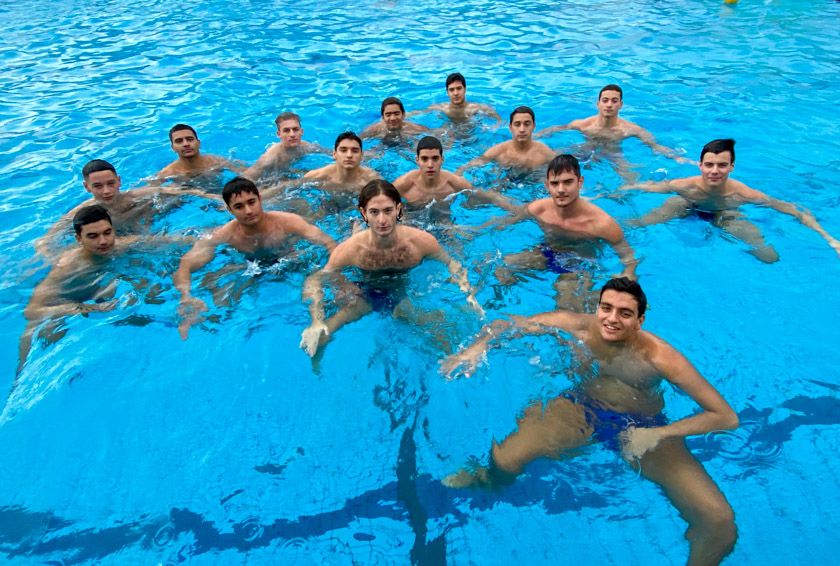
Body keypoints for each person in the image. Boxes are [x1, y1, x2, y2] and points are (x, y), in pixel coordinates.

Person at [441, 277, 739, 566]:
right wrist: (476, 349)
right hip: (582, 409)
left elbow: (725, 417)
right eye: (606, 308)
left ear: (640, 321)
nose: (612, 319)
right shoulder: (578, 327)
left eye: (625, 313)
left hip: (642, 425)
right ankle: (487, 481)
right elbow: (507, 325)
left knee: (719, 523)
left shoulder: (660, 358)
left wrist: (657, 434)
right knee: (505, 460)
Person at [299, 180, 483, 357]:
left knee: (447, 341)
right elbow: (315, 279)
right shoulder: (351, 250)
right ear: (363, 213)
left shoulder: (420, 242)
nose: (382, 220)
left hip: (403, 295)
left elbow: (452, 264)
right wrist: (316, 320)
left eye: (388, 211)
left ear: (398, 209)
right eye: (374, 212)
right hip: (362, 294)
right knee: (319, 338)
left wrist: (468, 291)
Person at [620, 138, 840, 262]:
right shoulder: (685, 185)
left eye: (722, 165)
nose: (714, 171)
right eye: (709, 165)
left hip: (726, 214)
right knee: (639, 223)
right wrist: (616, 191)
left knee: (769, 256)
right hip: (688, 205)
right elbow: (648, 187)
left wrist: (830, 239)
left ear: (732, 167)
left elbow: (794, 210)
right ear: (700, 165)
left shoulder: (744, 194)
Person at [173, 177, 336, 339]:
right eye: (239, 206)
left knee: (314, 282)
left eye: (251, 202)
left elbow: (329, 243)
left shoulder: (287, 221)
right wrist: (186, 296)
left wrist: (333, 274)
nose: (248, 211)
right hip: (248, 266)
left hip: (290, 259)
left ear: (260, 199)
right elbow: (185, 264)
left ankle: (318, 322)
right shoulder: (225, 234)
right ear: (229, 210)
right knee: (220, 302)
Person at [490, 154, 637, 306]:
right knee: (502, 268)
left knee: (566, 304)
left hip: (580, 265)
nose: (560, 189)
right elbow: (502, 223)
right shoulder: (538, 209)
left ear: (580, 182)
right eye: (555, 183)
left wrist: (627, 278)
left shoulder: (602, 224)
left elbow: (629, 259)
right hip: (547, 253)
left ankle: (591, 300)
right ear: (547, 185)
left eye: (568, 182)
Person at [21, 206, 146, 372]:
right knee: (47, 332)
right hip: (63, 304)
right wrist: (86, 308)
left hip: (95, 292)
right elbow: (32, 311)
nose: (103, 241)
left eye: (107, 232)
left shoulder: (120, 246)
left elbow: (166, 241)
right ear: (79, 239)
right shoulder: (68, 268)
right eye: (93, 236)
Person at [36, 159, 219, 257]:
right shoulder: (81, 213)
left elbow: (184, 191)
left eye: (111, 183)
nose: (106, 191)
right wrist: (57, 258)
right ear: (87, 187)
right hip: (117, 245)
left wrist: (217, 199)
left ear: (119, 181)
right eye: (98, 186)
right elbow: (44, 242)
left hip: (144, 233)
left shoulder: (139, 196)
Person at [535, 84, 692, 165]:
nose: (609, 105)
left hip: (613, 155)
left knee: (630, 178)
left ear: (621, 105)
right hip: (584, 149)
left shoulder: (630, 129)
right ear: (598, 103)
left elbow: (655, 146)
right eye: (605, 100)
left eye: (614, 101)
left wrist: (677, 157)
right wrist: (535, 136)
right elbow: (556, 129)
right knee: (551, 159)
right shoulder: (583, 124)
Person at [393, 136, 518, 213]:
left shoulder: (454, 182)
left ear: (442, 159)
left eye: (435, 158)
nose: (430, 164)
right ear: (417, 160)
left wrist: (514, 209)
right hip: (411, 219)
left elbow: (483, 196)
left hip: (443, 219)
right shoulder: (403, 184)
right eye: (424, 159)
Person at [456, 106, 555, 174]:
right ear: (510, 127)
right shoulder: (498, 151)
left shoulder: (545, 153)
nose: (522, 129)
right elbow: (467, 166)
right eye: (517, 124)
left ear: (534, 126)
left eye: (527, 124)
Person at [244, 112, 327, 181]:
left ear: (301, 132)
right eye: (286, 130)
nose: (292, 134)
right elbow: (247, 177)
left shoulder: (306, 146)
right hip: (270, 180)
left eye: (295, 129)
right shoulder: (270, 157)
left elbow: (331, 153)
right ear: (279, 134)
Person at [154, 124, 241, 180]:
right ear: (173, 148)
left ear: (198, 143)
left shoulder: (216, 162)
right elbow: (150, 190)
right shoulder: (168, 173)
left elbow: (244, 172)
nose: (186, 144)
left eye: (190, 139)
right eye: (179, 141)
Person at [408, 72, 502, 125]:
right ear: (447, 92)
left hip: (471, 134)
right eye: (452, 90)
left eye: (459, 88)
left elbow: (499, 121)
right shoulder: (441, 108)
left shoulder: (477, 108)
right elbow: (420, 112)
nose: (456, 93)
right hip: (450, 134)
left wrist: (493, 127)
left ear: (465, 89)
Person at [360, 97, 431, 140]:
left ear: (403, 115)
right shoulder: (373, 130)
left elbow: (434, 135)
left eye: (397, 114)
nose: (393, 118)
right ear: (383, 117)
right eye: (388, 115)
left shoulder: (415, 128)